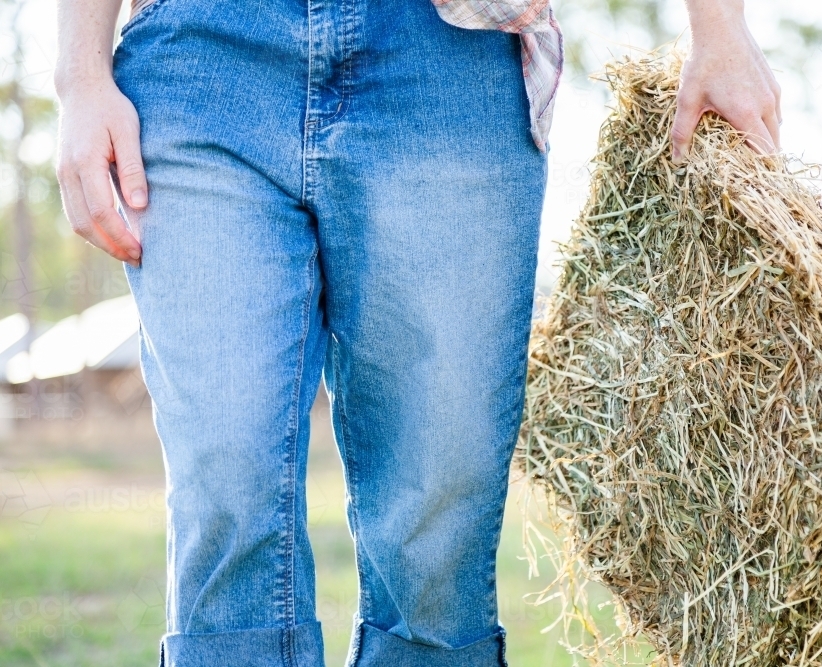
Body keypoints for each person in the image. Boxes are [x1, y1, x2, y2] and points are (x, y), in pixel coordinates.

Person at [53, 0, 780, 664]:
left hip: (447, 55)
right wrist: (78, 74)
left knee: (440, 519)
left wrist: (719, 29)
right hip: (203, 54)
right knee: (226, 481)